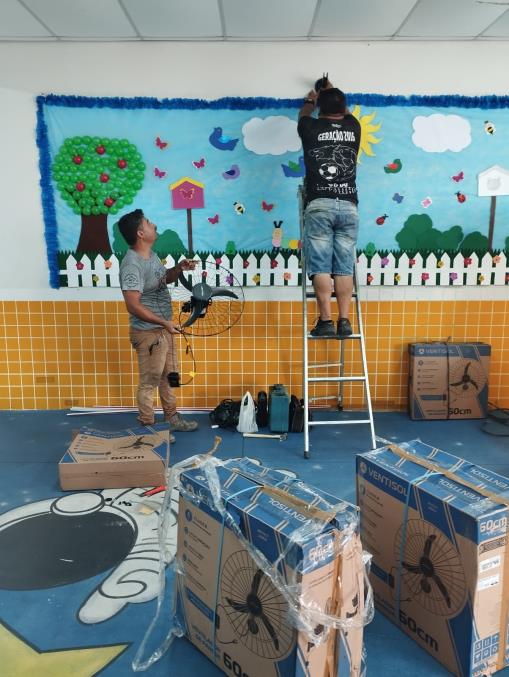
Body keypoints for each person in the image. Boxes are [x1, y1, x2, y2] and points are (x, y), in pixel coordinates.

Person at [118, 208, 198, 434]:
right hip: (149, 333)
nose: (153, 224)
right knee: (149, 381)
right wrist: (163, 323)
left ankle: (172, 418)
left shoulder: (151, 256)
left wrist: (179, 268)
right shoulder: (132, 264)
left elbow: (163, 280)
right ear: (140, 233)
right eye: (148, 222)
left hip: (164, 329)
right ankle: (147, 427)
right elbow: (132, 305)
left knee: (170, 376)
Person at [297, 79, 361, 338]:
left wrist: (311, 100)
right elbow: (346, 113)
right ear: (344, 107)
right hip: (348, 205)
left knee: (321, 265)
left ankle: (325, 321)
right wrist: (331, 92)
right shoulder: (354, 127)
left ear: (320, 108)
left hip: (320, 204)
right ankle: (344, 320)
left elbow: (303, 115)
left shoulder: (310, 127)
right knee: (344, 267)